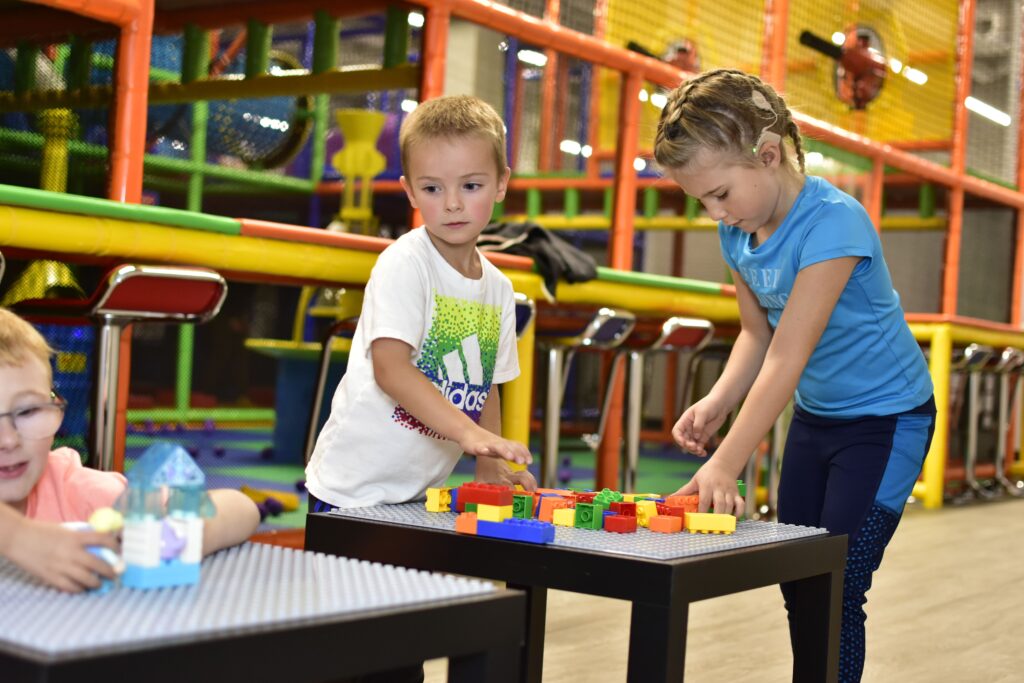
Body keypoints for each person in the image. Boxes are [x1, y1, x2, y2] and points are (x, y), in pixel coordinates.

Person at [653, 69, 935, 682]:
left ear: (770, 155)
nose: (713, 214)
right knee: (798, 576)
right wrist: (719, 401)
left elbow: (789, 355)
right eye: (700, 200)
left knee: (837, 582)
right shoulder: (740, 235)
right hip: (817, 420)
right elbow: (758, 334)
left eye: (720, 194)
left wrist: (726, 462)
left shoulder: (835, 222)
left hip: (886, 422)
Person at [305, 94, 535, 514]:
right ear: (410, 191)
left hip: (419, 491)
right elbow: (391, 368)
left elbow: (488, 385)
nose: (452, 203)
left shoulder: (498, 289)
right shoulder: (406, 263)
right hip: (352, 488)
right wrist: (467, 434)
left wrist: (489, 466)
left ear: (501, 183)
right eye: (432, 188)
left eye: (471, 185)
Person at [0, 307, 260, 592]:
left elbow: (241, 508)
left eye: (27, 411)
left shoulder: (75, 490)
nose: (9, 440)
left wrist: (179, 536)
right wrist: (18, 538)